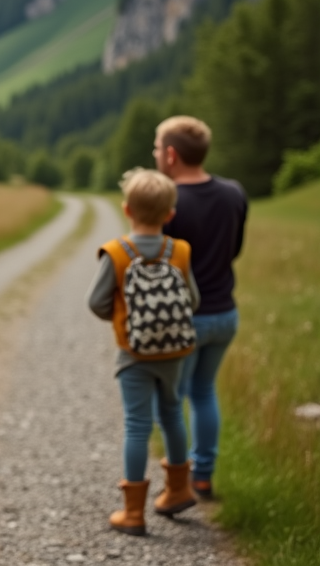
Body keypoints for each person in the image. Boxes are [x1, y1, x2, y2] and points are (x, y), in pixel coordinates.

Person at [87, 168, 200, 536]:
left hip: (134, 354)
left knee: (137, 426)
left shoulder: (117, 252)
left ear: (127, 210)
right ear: (170, 214)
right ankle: (179, 489)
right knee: (171, 414)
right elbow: (193, 300)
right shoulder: (179, 250)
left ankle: (133, 514)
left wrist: (123, 318)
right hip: (174, 352)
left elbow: (96, 302)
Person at [155, 116, 248, 500]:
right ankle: (203, 476)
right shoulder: (234, 193)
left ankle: (178, 483)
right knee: (204, 391)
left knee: (172, 400)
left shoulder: (169, 202)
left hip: (184, 319)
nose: (157, 155)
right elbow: (236, 249)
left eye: (158, 148)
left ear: (172, 155)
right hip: (225, 313)